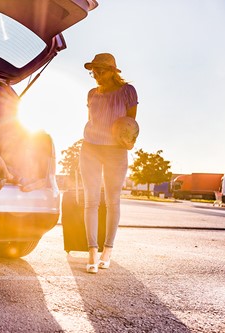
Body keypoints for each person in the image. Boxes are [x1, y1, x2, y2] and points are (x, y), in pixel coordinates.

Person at [80, 53, 138, 274]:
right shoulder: (92, 93)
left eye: (100, 71)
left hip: (115, 151)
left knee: (112, 201)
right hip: (90, 148)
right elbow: (92, 120)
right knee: (91, 201)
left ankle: (108, 250)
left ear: (113, 71)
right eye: (93, 71)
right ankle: (92, 251)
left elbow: (131, 124)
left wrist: (128, 141)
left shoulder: (127, 92)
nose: (96, 75)